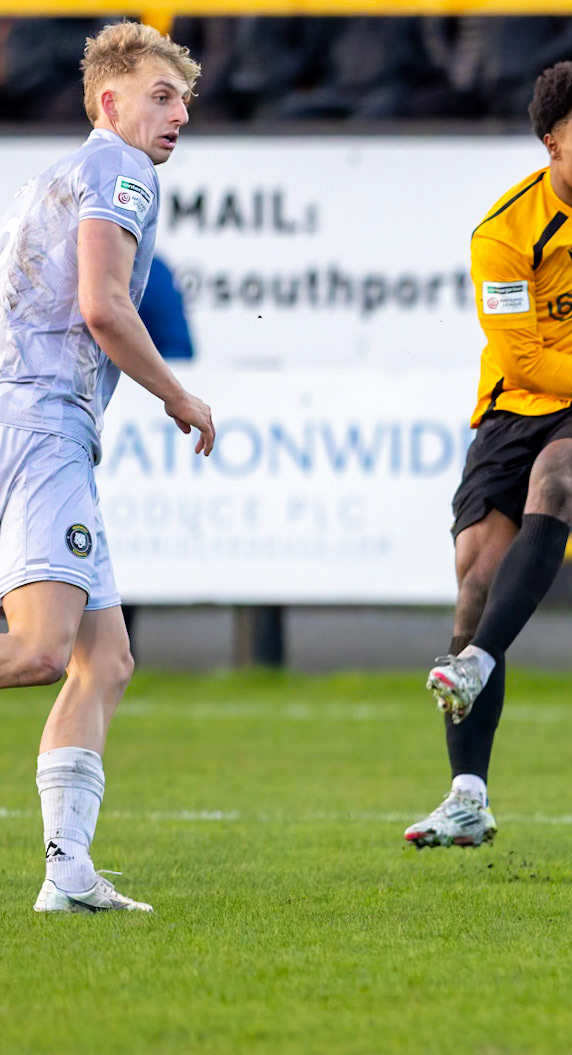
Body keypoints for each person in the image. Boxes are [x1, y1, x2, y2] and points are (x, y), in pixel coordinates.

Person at [404, 57, 572, 849]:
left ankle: (478, 661)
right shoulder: (503, 236)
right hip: (516, 409)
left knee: (561, 477)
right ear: (550, 142)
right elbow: (522, 365)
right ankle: (466, 796)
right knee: (474, 585)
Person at [0, 21, 214, 913]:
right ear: (109, 101)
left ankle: (69, 872)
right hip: (42, 419)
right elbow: (103, 306)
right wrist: (178, 394)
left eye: (185, 102)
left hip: (42, 417)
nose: (177, 116)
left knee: (107, 658)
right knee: (44, 647)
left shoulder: (76, 170)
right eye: (161, 97)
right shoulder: (118, 170)